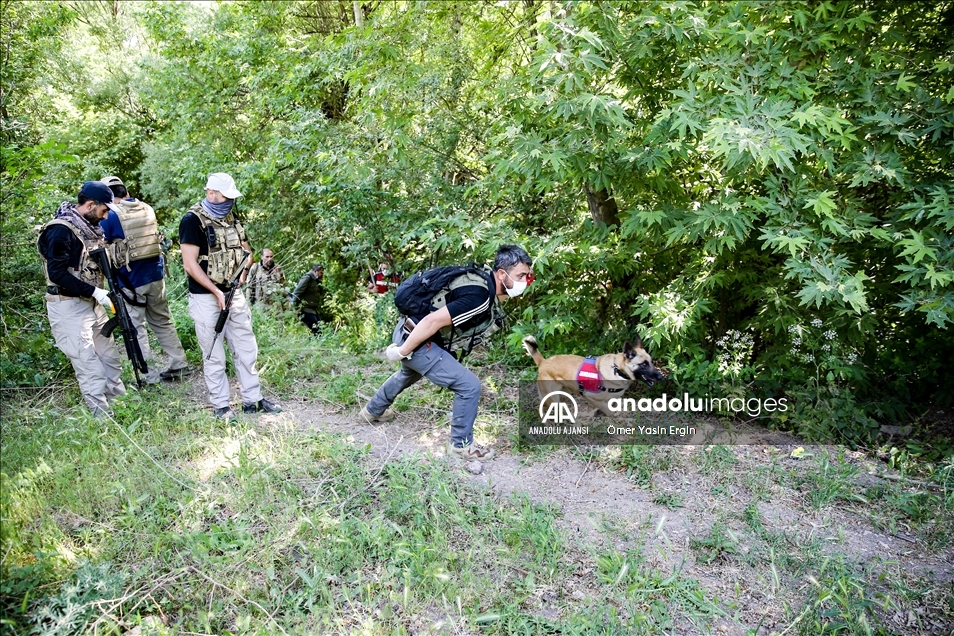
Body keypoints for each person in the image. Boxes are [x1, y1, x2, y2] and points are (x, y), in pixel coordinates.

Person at [359, 244, 533, 460]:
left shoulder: (479, 280)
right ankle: (461, 446)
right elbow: (432, 321)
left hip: (406, 329)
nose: (524, 281)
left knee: (409, 373)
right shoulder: (480, 296)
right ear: (501, 273)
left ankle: (372, 411)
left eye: (527, 276)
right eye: (521, 275)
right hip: (417, 339)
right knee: (469, 386)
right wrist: (403, 351)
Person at [178, 172, 281, 420]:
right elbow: (190, 265)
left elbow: (248, 252)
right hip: (206, 297)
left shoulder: (232, 217)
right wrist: (215, 291)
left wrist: (243, 273)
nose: (229, 202)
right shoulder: (192, 221)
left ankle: (252, 400)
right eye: (225, 196)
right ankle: (222, 406)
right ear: (211, 193)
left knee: (247, 347)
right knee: (214, 352)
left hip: (233, 293)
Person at [36, 181, 126, 417]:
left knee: (110, 357)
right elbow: (57, 274)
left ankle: (122, 407)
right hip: (68, 306)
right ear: (89, 205)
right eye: (104, 210)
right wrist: (95, 292)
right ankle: (103, 418)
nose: (106, 216)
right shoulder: (60, 231)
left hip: (93, 304)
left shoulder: (91, 229)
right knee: (89, 364)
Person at [99, 176, 191, 384]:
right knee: (162, 320)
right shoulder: (147, 208)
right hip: (156, 275)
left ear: (109, 196)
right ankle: (179, 363)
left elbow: (101, 244)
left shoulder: (112, 215)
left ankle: (148, 374)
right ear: (127, 193)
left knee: (135, 326)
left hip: (131, 280)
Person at [290, 263, 328, 335]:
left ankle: (314, 344)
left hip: (313, 309)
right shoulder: (307, 278)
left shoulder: (316, 280)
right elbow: (297, 292)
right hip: (305, 309)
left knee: (319, 328)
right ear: (315, 271)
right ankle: (314, 344)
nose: (322, 274)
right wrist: (294, 308)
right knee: (316, 330)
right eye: (321, 272)